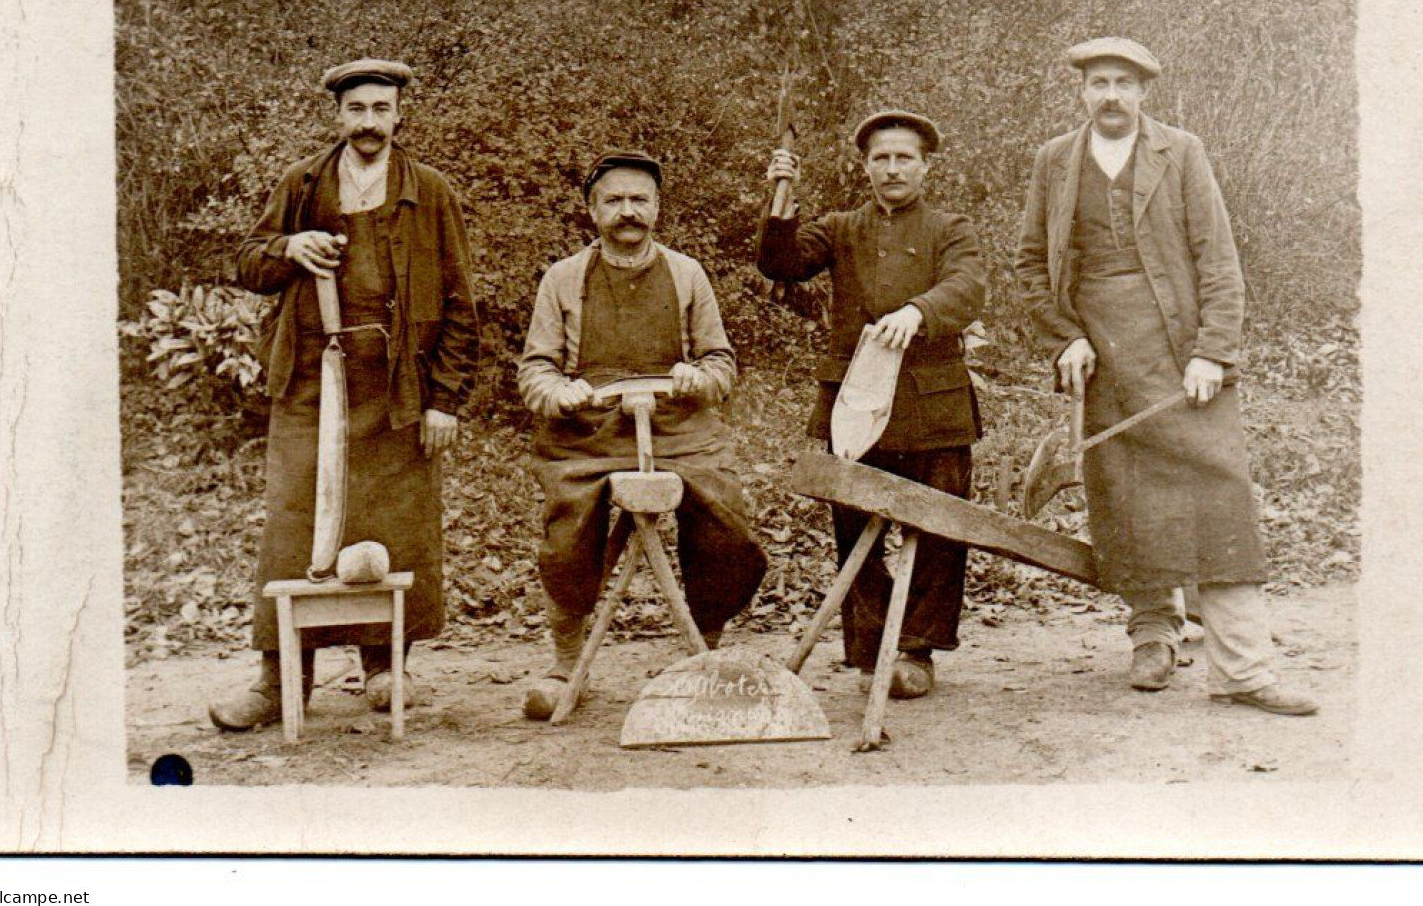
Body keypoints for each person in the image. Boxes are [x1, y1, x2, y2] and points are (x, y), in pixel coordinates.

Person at [1014, 37, 1317, 716]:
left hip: (1181, 355)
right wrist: (1064, 340)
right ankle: (1152, 635)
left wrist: (1212, 349)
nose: (1111, 96)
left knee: (1218, 498)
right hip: (1099, 359)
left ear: (1144, 91)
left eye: (1123, 82)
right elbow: (1031, 265)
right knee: (1126, 502)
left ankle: (1242, 669)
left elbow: (1217, 256)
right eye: (1098, 83)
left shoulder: (1179, 152)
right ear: (1081, 91)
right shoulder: (1053, 161)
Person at [209, 59, 482, 730]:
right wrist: (288, 247)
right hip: (309, 379)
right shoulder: (301, 184)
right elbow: (248, 262)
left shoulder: (431, 191)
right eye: (356, 109)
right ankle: (279, 683)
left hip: (397, 386)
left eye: (380, 109)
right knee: (292, 525)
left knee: (393, 526)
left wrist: (444, 398)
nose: (368, 123)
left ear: (399, 114)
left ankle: (387, 668)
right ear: (339, 115)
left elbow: (458, 300)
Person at [516, 151, 766, 719]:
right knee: (569, 525)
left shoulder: (686, 274)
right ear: (591, 210)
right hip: (590, 432)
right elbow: (535, 369)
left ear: (657, 208)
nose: (627, 211)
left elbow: (721, 365)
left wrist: (696, 378)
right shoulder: (563, 278)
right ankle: (566, 664)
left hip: (678, 427)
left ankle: (706, 654)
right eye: (614, 200)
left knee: (724, 516)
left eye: (639, 200)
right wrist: (558, 393)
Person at [758, 112, 986, 700]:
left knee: (939, 529)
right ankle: (868, 650)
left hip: (933, 407)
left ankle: (917, 651)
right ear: (865, 167)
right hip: (853, 407)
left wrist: (918, 311)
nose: (892, 169)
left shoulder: (951, 229)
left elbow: (967, 289)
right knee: (854, 526)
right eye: (881, 158)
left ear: (924, 167)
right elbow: (780, 264)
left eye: (904, 158)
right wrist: (780, 203)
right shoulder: (839, 229)